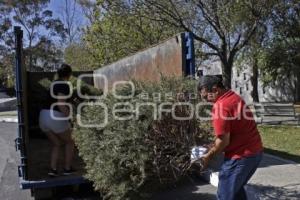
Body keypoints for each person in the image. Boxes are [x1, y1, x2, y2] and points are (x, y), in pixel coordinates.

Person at [198, 75, 263, 200]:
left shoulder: (220, 106)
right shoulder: (234, 97)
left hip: (239, 158)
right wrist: (213, 145)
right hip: (255, 153)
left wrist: (208, 156)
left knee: (225, 196)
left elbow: (223, 141)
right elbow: (233, 132)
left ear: (215, 90)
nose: (205, 100)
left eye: (206, 96)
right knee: (236, 192)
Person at [39, 63, 75, 177]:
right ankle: (67, 169)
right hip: (54, 116)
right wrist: (72, 118)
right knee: (70, 142)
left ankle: (53, 170)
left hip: (43, 117)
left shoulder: (52, 84)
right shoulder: (63, 85)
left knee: (56, 144)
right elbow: (61, 104)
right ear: (69, 75)